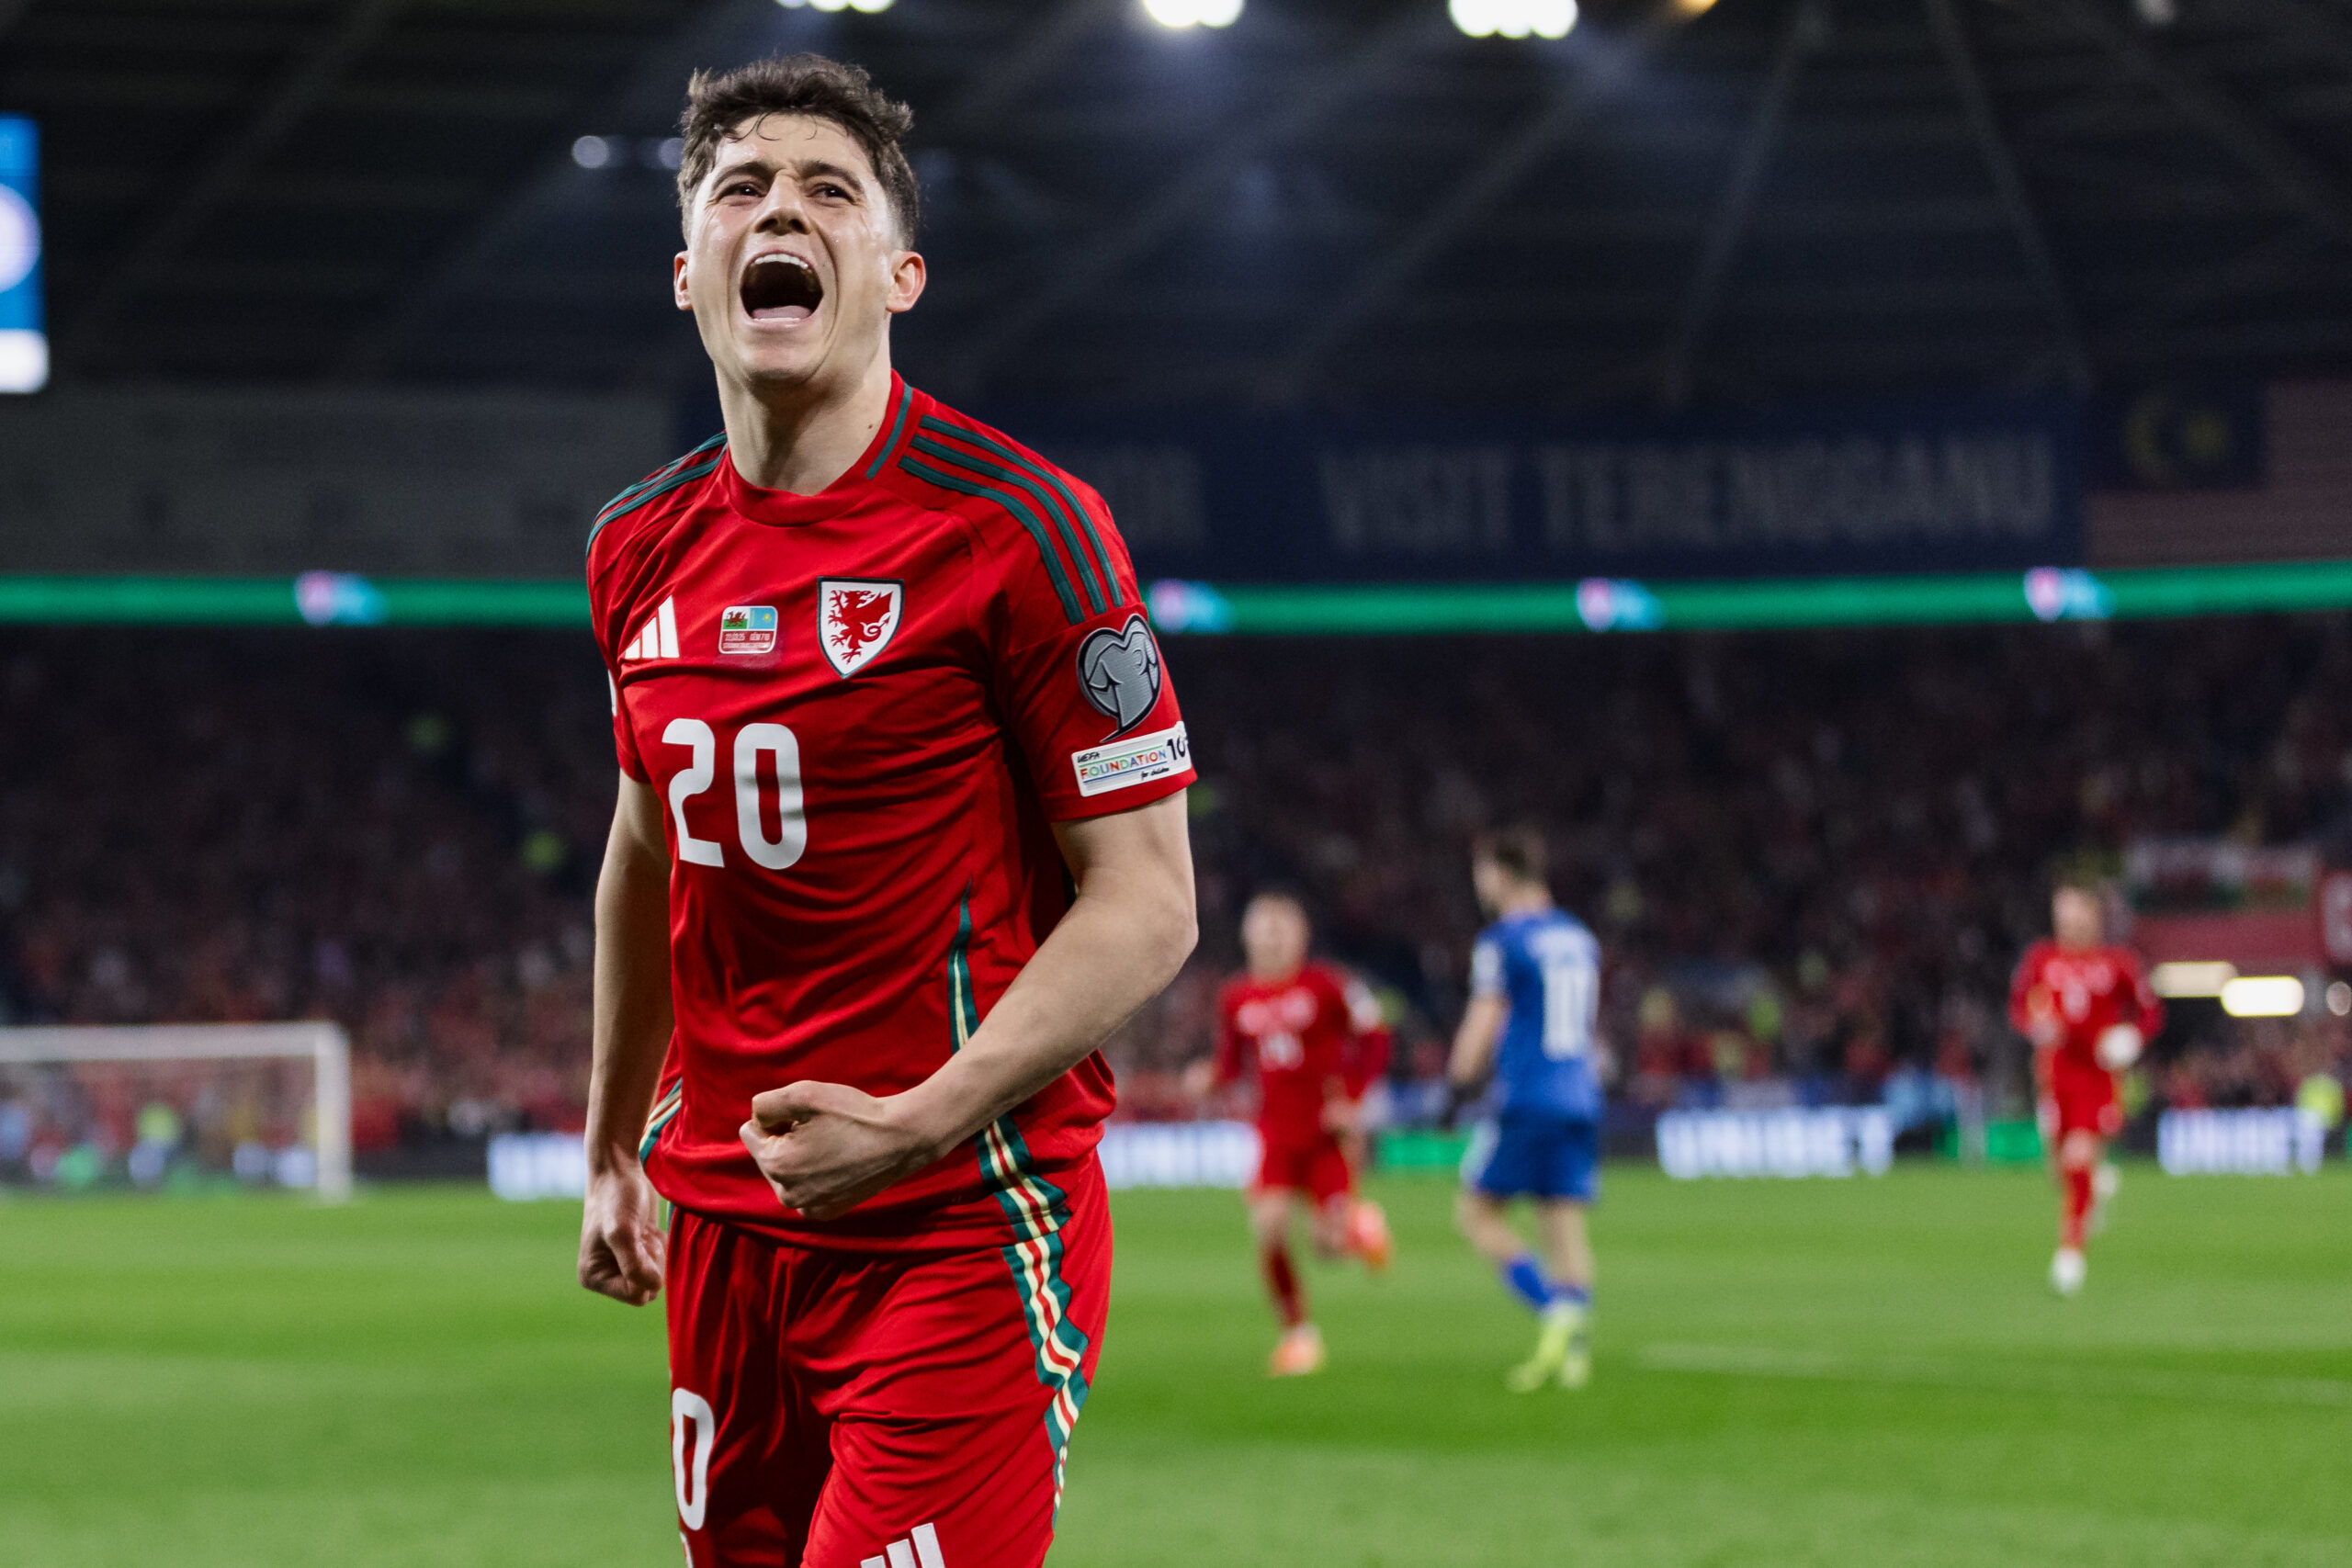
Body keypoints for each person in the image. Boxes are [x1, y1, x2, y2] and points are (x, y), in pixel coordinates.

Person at [573, 55, 1198, 1568]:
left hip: (956, 1223)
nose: (780, 211)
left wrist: (920, 1119)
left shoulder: (1024, 528)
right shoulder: (637, 544)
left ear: (900, 274)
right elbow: (647, 849)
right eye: (740, 189)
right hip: (728, 1232)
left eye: (828, 191)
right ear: (688, 273)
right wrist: (606, 1145)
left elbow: (1149, 898)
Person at [1194, 891, 1393, 1376]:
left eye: (1281, 928)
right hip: (1276, 1133)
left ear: (1301, 936)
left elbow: (1375, 1036)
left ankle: (1361, 1226)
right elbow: (1230, 1064)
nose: (1272, 938)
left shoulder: (1326, 985)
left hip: (1325, 1134)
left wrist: (1352, 1098)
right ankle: (1299, 1336)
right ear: (1247, 937)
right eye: (1264, 929)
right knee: (1270, 1230)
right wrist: (1207, 1078)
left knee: (1328, 1248)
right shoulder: (1235, 996)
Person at [1446, 828, 1603, 1393]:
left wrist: (1455, 1086)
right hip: (1579, 1095)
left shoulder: (1504, 940)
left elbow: (1485, 1017)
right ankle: (1574, 1353)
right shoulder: (1579, 937)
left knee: (1476, 1215)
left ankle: (1554, 1314)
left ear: (1500, 874)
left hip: (1528, 1096)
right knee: (1564, 1227)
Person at [2008, 881, 2161, 1297]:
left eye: (2076, 913)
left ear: (2093, 917)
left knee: (2078, 1158)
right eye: (2063, 913)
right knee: (2060, 1171)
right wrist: (2035, 1025)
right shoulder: (2041, 959)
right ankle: (2093, 1186)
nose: (2069, 922)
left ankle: (2070, 1254)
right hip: (2053, 1076)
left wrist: (2130, 1037)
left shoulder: (2117, 964)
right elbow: (2019, 1006)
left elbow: (2150, 1013)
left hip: (2096, 1077)